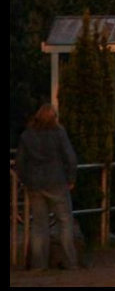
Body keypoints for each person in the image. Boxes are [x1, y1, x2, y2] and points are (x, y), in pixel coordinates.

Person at [17, 103, 79, 271]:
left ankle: (38, 265)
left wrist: (26, 181)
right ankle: (70, 262)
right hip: (57, 181)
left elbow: (20, 163)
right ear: (55, 118)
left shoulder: (27, 135)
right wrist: (71, 178)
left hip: (35, 184)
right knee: (65, 222)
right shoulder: (59, 133)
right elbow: (70, 157)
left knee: (38, 225)